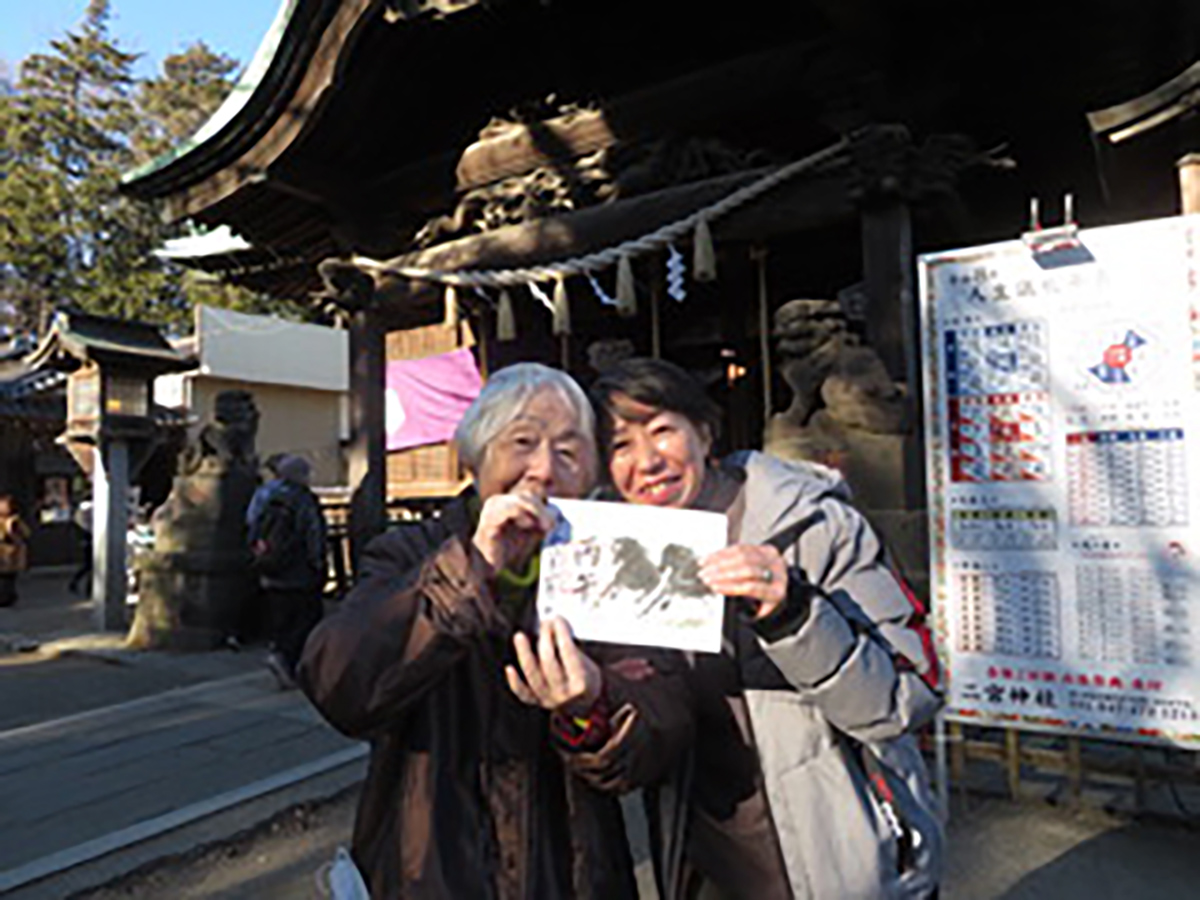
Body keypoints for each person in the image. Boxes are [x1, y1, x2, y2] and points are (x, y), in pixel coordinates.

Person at [298, 363, 689, 900]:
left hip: (572, 876)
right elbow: (337, 684)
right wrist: (470, 569)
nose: (544, 470)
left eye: (569, 452)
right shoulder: (409, 554)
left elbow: (663, 726)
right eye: (522, 442)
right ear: (476, 458)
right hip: (429, 871)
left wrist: (593, 705)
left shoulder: (616, 567)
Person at [575, 357, 943, 899]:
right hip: (704, 868)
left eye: (661, 431)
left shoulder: (814, 525)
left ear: (703, 431)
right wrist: (597, 701)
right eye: (618, 446)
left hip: (844, 862)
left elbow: (906, 697)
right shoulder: (610, 560)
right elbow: (641, 755)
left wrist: (793, 611)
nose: (647, 461)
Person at [250, 454, 328, 689]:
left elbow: (252, 526)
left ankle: (279, 653)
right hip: (299, 569)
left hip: (272, 568)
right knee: (306, 618)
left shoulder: (267, 495)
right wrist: (319, 563)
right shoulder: (304, 499)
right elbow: (313, 533)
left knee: (282, 618)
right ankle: (291, 662)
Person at [0, 496, 31, 608]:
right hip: (5, 552)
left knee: (8, 577)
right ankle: (7, 596)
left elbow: (25, 533)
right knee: (6, 577)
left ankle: (7, 597)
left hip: (10, 552)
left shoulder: (15, 521)